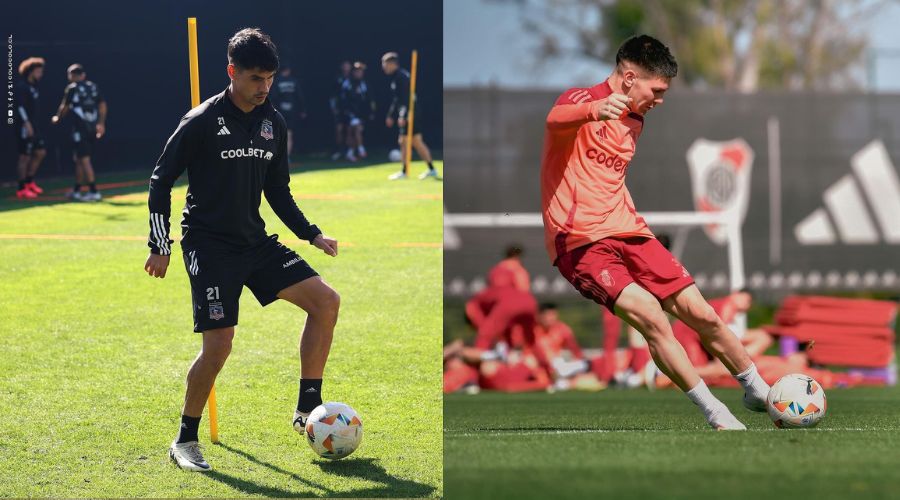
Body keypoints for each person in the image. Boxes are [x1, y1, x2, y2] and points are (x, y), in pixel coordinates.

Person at [540, 34, 770, 430]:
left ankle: (759, 389)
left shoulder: (635, 120)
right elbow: (553, 120)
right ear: (629, 78)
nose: (660, 99)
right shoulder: (580, 101)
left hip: (630, 231)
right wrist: (594, 109)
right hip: (579, 242)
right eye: (657, 89)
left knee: (703, 314)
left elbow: (606, 178)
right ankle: (715, 412)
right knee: (652, 318)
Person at [144, 28, 340, 471]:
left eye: (270, 78)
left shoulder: (274, 122)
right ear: (232, 72)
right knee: (219, 346)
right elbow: (160, 178)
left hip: (254, 241)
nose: (264, 88)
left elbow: (278, 190)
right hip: (209, 246)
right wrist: (160, 244)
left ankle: (308, 408)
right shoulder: (200, 121)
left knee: (326, 302)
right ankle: (185, 441)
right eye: (255, 78)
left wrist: (311, 234)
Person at [51, 64, 107, 201]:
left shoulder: (72, 88)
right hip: (92, 128)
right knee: (79, 160)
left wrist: (57, 118)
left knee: (84, 159)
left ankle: (94, 191)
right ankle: (77, 190)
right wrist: (101, 123)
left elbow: (65, 106)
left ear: (74, 75)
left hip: (80, 130)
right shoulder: (92, 87)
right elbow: (102, 105)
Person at [382, 52, 438, 180]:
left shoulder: (401, 77)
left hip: (410, 112)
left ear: (392, 64)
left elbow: (406, 98)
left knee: (403, 141)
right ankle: (432, 169)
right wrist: (391, 114)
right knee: (417, 142)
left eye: (385, 64)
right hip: (411, 111)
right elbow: (397, 99)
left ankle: (404, 171)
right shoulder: (397, 77)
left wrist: (403, 115)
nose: (383, 67)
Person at [13, 57, 47, 199]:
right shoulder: (22, 86)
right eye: (38, 71)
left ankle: (29, 181)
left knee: (40, 152)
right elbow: (19, 106)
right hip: (24, 126)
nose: (40, 74)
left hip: (34, 124)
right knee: (24, 156)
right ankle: (21, 188)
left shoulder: (34, 87)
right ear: (30, 72)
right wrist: (26, 123)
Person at [339, 61, 375, 162]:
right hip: (349, 113)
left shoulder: (365, 84)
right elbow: (343, 100)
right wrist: (345, 112)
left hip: (362, 114)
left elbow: (371, 100)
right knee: (355, 129)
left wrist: (371, 112)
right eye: (357, 71)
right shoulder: (347, 84)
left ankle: (351, 152)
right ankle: (361, 149)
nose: (359, 73)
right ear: (353, 72)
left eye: (361, 71)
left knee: (353, 131)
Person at [270, 64, 306, 157]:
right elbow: (300, 97)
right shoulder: (293, 81)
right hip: (288, 111)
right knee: (288, 134)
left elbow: (272, 98)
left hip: (281, 112)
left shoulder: (277, 81)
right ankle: (286, 157)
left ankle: (282, 157)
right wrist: (302, 110)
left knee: (280, 134)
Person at [329, 61, 352, 160]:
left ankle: (349, 151)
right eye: (344, 66)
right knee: (339, 129)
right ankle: (339, 150)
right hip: (339, 109)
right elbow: (333, 95)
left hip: (350, 109)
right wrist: (334, 108)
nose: (346, 67)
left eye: (348, 66)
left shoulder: (353, 79)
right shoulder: (338, 79)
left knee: (349, 129)